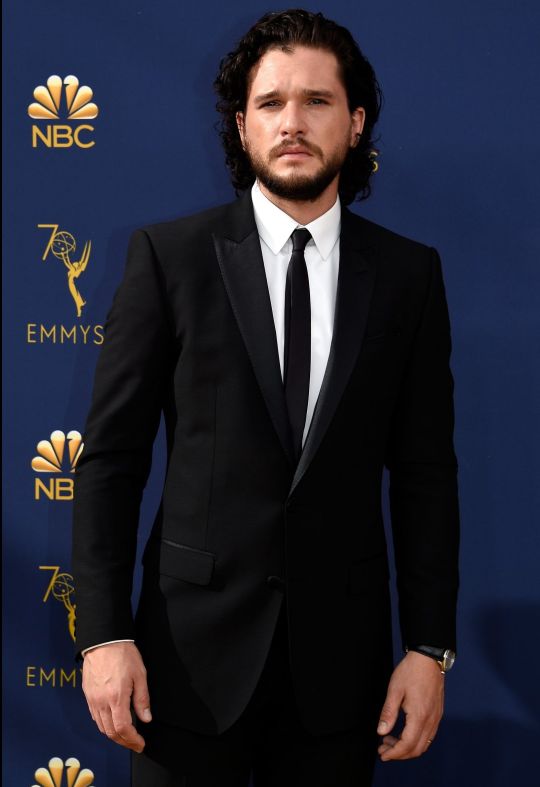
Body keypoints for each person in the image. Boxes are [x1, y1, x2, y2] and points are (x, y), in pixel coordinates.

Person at [72, 9, 460, 786]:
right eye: (272, 103)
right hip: (182, 670)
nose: (293, 122)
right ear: (242, 126)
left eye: (317, 102)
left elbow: (425, 475)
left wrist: (427, 648)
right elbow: (111, 460)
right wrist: (102, 635)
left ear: (354, 124)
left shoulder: (408, 278)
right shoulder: (170, 259)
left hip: (341, 681)